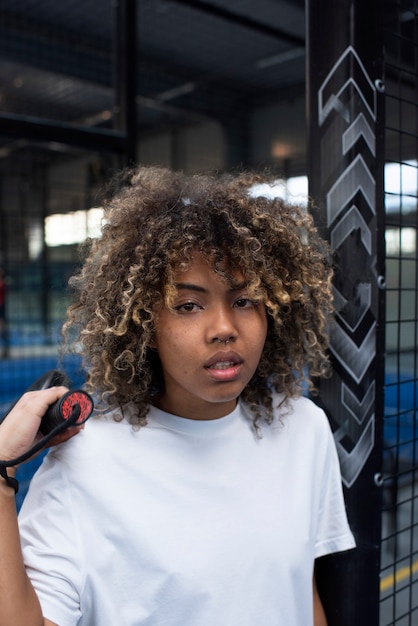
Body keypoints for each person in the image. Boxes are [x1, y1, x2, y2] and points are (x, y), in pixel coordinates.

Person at [0, 166, 355, 626]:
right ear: (146, 325)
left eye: (245, 300)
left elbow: (298, 594)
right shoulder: (86, 459)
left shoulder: (303, 428)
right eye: (188, 306)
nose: (224, 328)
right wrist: (1, 472)